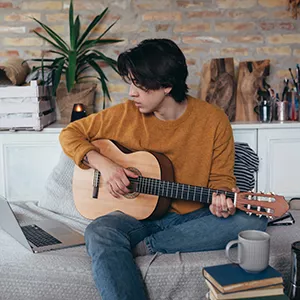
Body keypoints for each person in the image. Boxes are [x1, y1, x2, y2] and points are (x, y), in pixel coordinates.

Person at [59, 38, 268, 300]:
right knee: (99, 231)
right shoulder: (124, 114)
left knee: (254, 220)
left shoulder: (213, 120)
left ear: (167, 86)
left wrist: (221, 198)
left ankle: (147, 247)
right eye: (130, 84)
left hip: (191, 216)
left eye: (140, 85)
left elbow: (221, 180)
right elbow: (70, 134)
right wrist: (106, 165)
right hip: (132, 217)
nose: (131, 93)